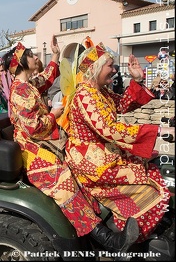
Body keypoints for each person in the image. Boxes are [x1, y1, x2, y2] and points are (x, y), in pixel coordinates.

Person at [7, 38, 139, 253]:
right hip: (32, 150)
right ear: (22, 62)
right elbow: (33, 128)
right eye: (31, 55)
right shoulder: (21, 89)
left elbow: (48, 78)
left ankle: (100, 235)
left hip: (45, 144)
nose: (36, 58)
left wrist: (56, 55)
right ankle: (109, 241)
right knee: (65, 187)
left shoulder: (29, 85)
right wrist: (53, 114)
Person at [64, 42, 173, 243]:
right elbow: (110, 129)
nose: (114, 70)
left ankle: (152, 228)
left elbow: (122, 105)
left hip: (105, 153)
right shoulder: (85, 94)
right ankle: (133, 237)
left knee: (150, 167)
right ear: (94, 68)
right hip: (91, 162)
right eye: (110, 66)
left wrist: (138, 81)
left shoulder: (99, 91)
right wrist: (158, 130)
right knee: (149, 184)